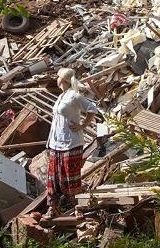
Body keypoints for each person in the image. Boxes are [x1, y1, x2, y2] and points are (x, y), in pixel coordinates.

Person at [42, 68, 99, 220]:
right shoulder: (61, 96)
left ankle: (77, 208)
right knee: (53, 178)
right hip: (55, 143)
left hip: (71, 142)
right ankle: (53, 208)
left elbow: (92, 109)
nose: (56, 79)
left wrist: (83, 125)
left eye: (58, 77)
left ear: (63, 79)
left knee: (70, 177)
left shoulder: (74, 96)